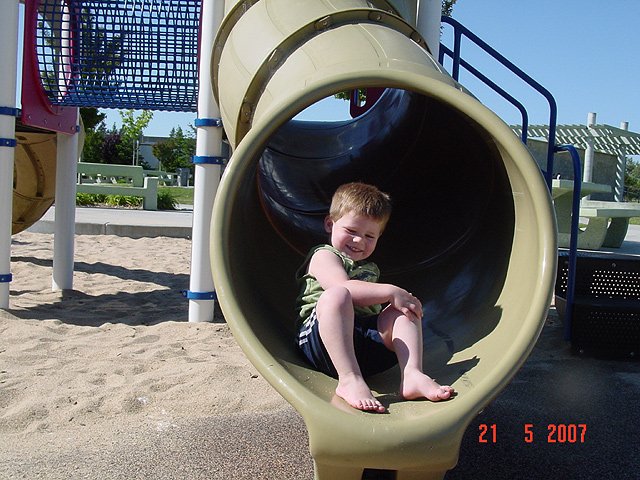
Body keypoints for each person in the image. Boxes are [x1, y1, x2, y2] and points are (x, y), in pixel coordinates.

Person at [295, 182, 455, 413]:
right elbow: (342, 287)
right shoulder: (323, 255)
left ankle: (412, 373)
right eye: (351, 231)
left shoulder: (369, 269)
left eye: (369, 235)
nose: (359, 240)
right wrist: (390, 291)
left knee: (403, 308)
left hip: (364, 351)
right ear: (330, 224)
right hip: (321, 342)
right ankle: (349, 379)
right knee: (338, 295)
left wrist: (400, 301)